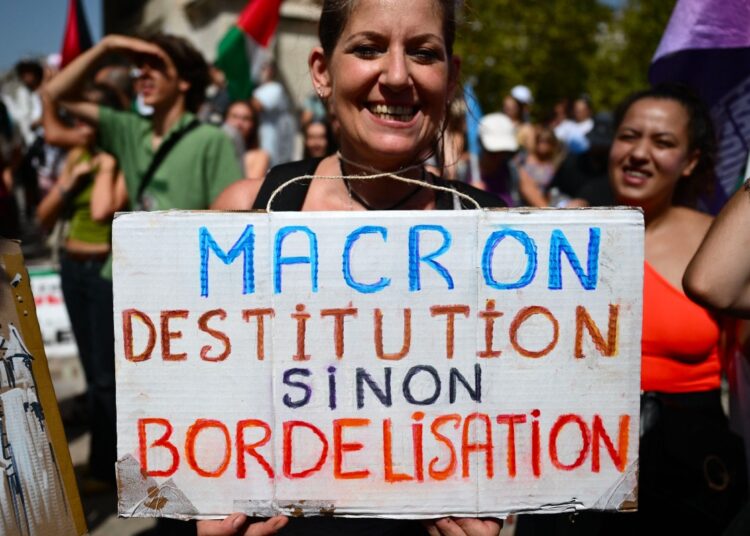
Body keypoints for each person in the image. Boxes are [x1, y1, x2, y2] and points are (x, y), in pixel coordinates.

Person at [208, 0, 504, 535]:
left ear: (450, 75)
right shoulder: (246, 215)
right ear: (322, 72)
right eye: (367, 49)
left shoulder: (498, 234)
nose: (396, 76)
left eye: (423, 53)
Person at [516, 84, 746, 535]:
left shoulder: (721, 247)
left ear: (691, 160)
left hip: (687, 478)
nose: (640, 153)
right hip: (569, 465)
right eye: (629, 136)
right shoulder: (563, 230)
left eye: (662, 143)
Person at [37, 83, 127, 489]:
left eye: (88, 118)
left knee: (106, 375)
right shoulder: (77, 157)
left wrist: (105, 168)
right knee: (92, 372)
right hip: (72, 270)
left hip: (103, 271)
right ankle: (104, 462)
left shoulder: (122, 160)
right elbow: (43, 216)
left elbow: (100, 210)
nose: (81, 127)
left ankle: (106, 467)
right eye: (79, 118)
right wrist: (69, 182)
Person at [43, 33, 242, 214]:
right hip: (126, 254)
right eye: (140, 66)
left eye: (157, 64)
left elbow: (229, 217)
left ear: (184, 81)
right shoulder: (129, 129)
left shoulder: (211, 139)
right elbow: (56, 93)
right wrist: (107, 46)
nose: (144, 73)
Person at [252, 61, 297, 167]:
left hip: (273, 139)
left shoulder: (274, 88)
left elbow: (256, 106)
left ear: (271, 71)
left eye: (263, 68)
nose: (258, 71)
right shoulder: (258, 89)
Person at [515, 126, 561, 207]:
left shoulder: (555, 163)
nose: (543, 145)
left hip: (547, 202)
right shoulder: (523, 158)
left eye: (547, 142)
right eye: (541, 141)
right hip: (525, 203)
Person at [224, 100, 270, 179]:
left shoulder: (259, 156)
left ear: (253, 124)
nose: (239, 123)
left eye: (246, 119)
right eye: (234, 116)